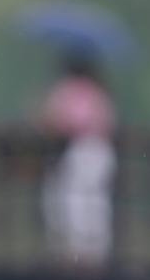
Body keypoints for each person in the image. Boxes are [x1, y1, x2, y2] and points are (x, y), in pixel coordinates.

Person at [40, 56, 117, 268]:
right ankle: (96, 252)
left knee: (74, 199)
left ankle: (77, 252)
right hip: (101, 150)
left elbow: (63, 123)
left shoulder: (68, 91)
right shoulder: (99, 93)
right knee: (96, 201)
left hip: (81, 149)